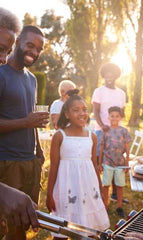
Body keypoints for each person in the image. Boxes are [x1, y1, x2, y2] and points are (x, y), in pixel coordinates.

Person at [0, 25, 48, 240]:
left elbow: (30, 119)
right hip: (7, 163)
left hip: (31, 162)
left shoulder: (32, 79)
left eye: (39, 49)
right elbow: (26, 120)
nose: (34, 52)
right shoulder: (1, 73)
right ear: (17, 42)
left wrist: (38, 150)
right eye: (30, 45)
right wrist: (25, 122)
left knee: (24, 225)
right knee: (7, 226)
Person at [46, 94, 109, 239]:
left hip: (88, 188)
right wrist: (49, 194)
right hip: (65, 188)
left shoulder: (92, 136)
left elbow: (94, 164)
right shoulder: (59, 136)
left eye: (85, 110)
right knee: (61, 231)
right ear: (67, 114)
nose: (82, 113)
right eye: (76, 110)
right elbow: (54, 167)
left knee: (90, 229)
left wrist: (100, 188)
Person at [91, 62, 128, 203]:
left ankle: (114, 194)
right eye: (107, 73)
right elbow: (95, 111)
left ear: (116, 75)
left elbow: (122, 113)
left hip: (116, 133)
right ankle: (97, 193)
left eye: (112, 74)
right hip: (101, 131)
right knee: (99, 161)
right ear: (103, 75)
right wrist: (102, 125)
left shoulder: (121, 93)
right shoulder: (98, 91)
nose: (109, 76)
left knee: (116, 161)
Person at [99, 106, 131, 217]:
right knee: (106, 184)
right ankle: (105, 205)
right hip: (108, 161)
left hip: (120, 163)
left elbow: (127, 148)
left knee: (120, 185)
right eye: (112, 116)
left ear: (120, 117)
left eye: (117, 116)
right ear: (108, 117)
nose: (114, 118)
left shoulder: (124, 131)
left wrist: (127, 162)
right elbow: (101, 147)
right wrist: (99, 163)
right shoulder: (105, 131)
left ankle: (119, 206)